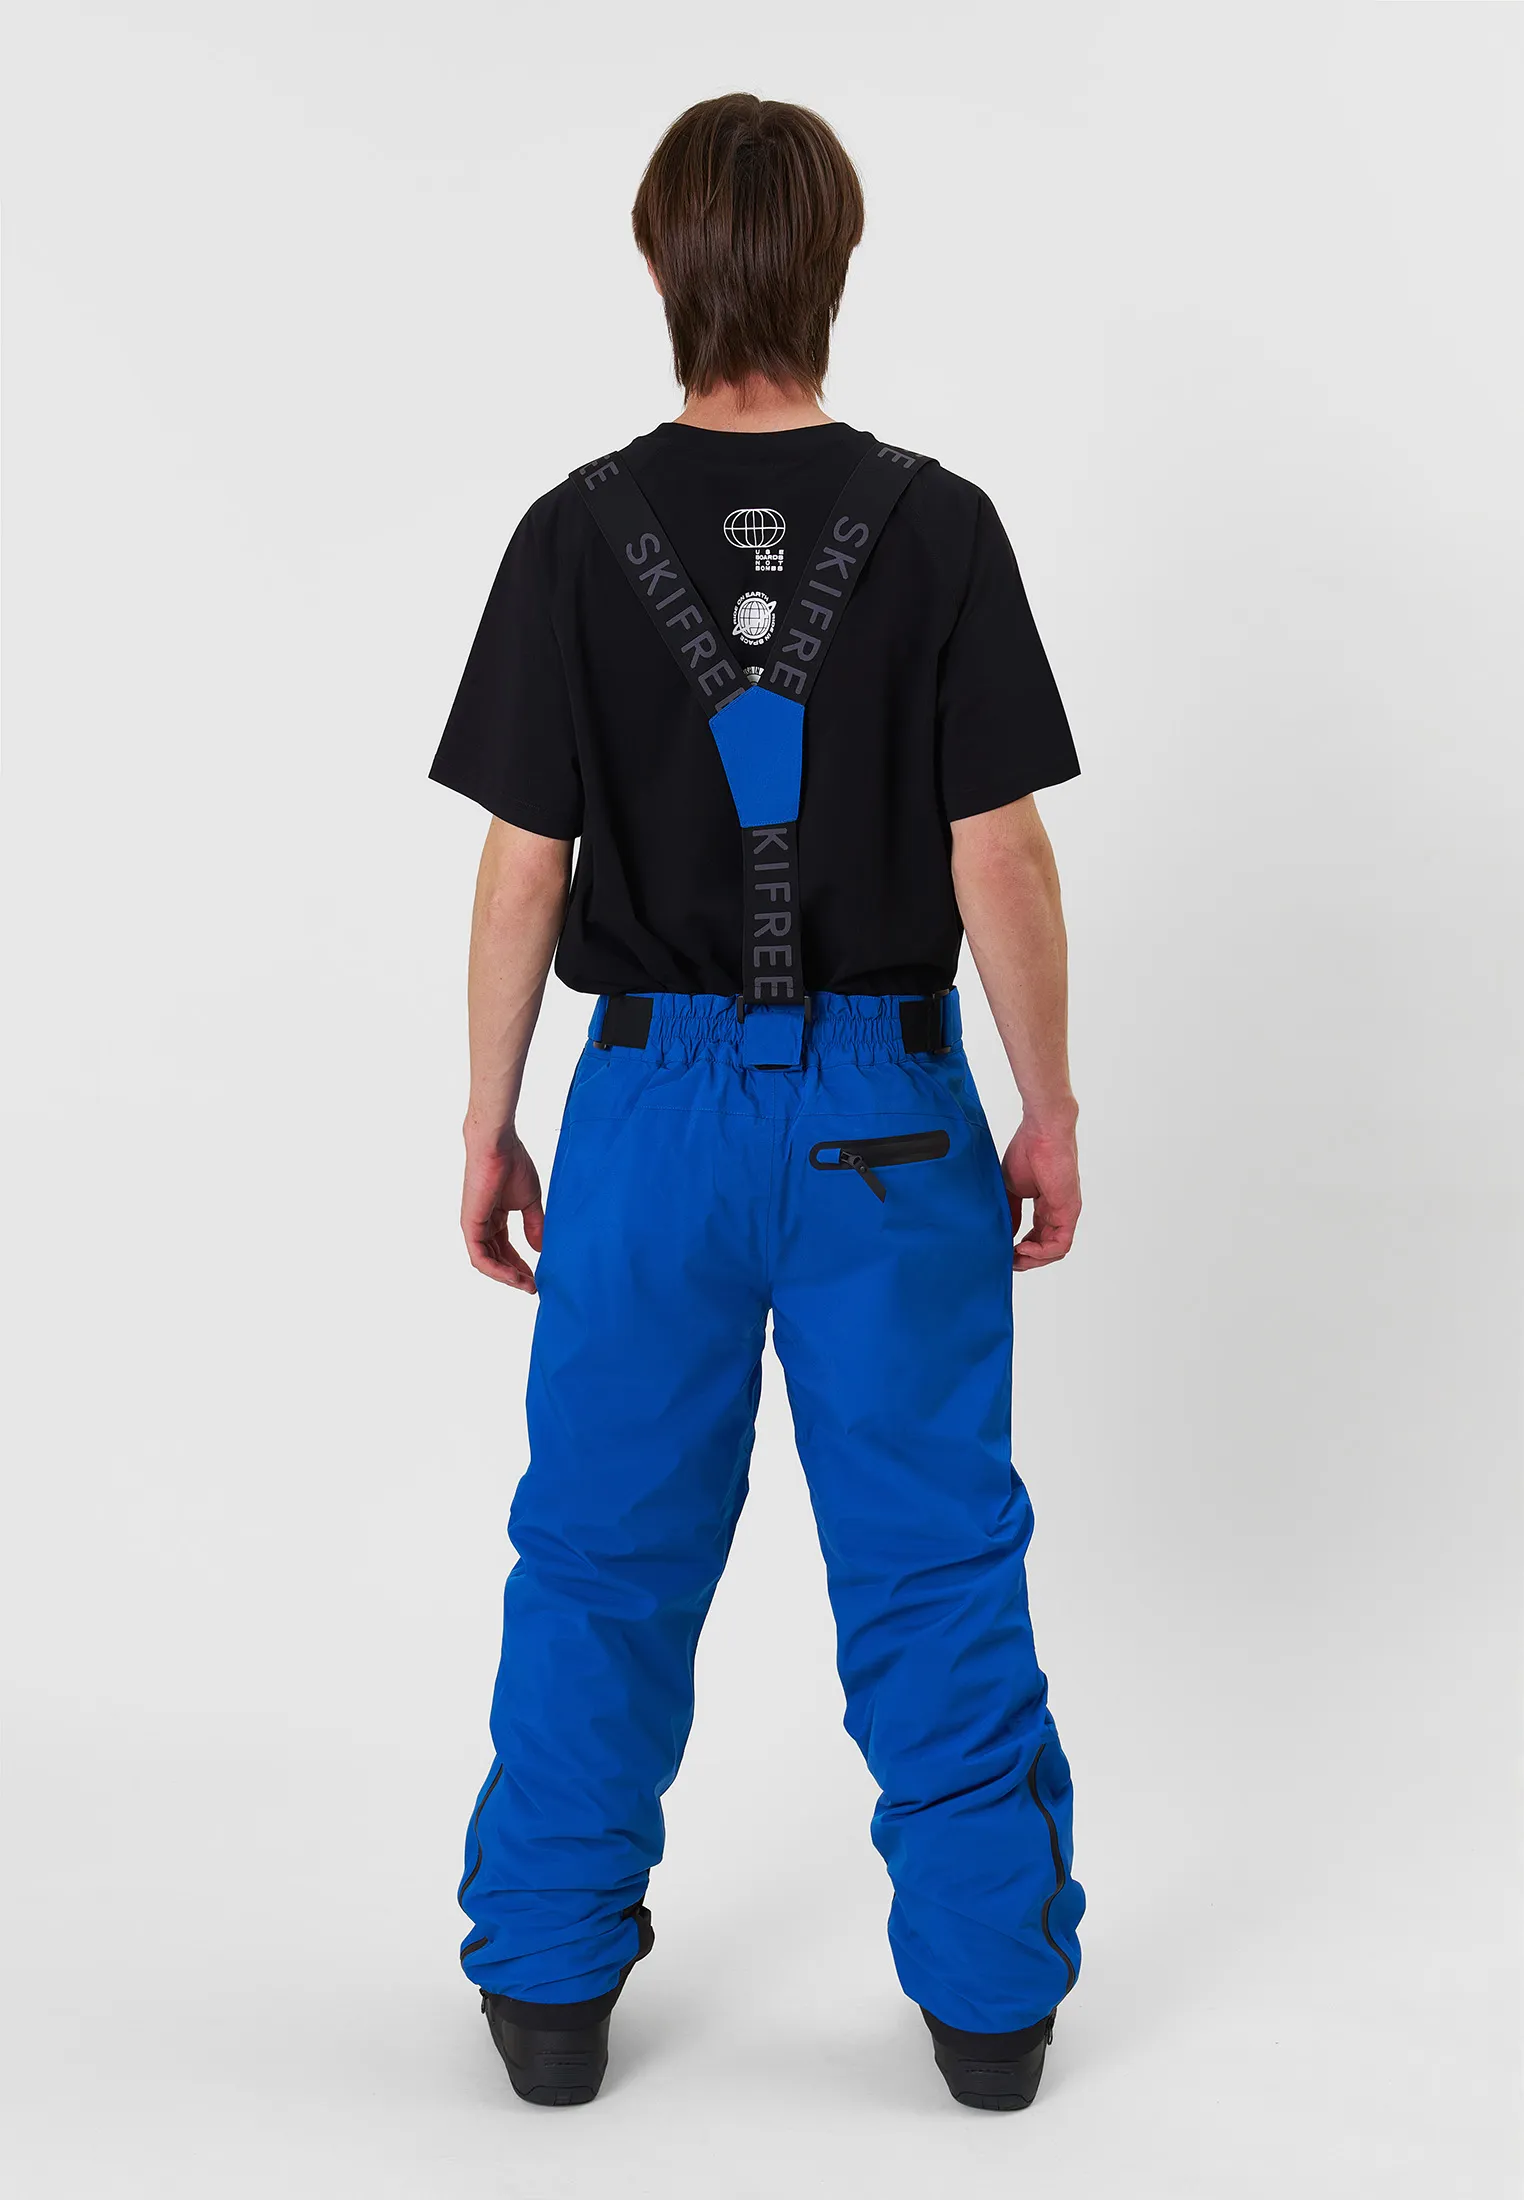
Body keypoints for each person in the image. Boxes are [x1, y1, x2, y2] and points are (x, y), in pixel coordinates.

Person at [429, 92, 1085, 2114]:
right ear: (836, 265)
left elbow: (523, 868)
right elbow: (999, 854)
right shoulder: (939, 525)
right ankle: (991, 2011)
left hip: (647, 1119)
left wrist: (490, 1115)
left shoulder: (573, 534)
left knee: (603, 1551)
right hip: (889, 1120)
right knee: (932, 1557)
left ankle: (549, 1993)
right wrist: (1048, 1104)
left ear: (662, 267)